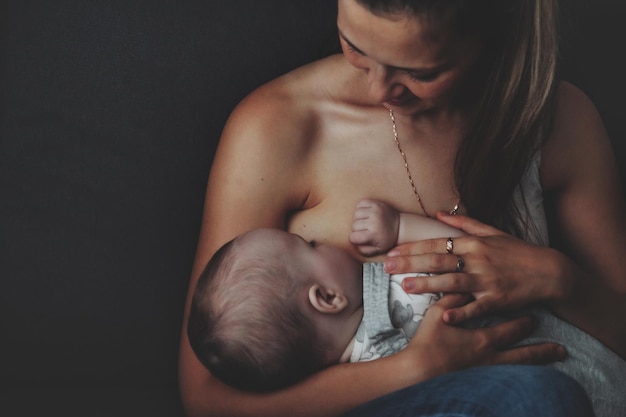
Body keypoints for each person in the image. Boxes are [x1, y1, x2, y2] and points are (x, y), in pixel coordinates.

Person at [179, 0, 626, 416]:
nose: (377, 88)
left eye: (420, 72)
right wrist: (410, 371)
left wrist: (557, 280)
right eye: (354, 46)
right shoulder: (279, 127)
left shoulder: (556, 121)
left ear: (493, 32)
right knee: (538, 395)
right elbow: (208, 397)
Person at [187, 199, 626, 416]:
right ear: (328, 298)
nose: (325, 241)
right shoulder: (399, 286)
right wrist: (399, 227)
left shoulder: (344, 378)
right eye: (311, 244)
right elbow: (463, 259)